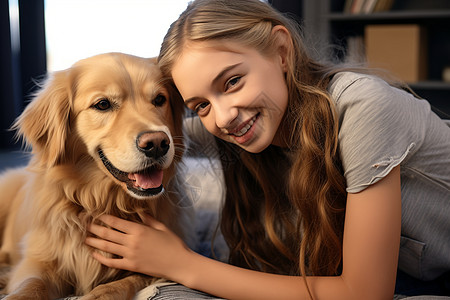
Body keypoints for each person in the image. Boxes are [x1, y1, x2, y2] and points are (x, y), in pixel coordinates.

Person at [85, 0, 450, 298]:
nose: (224, 117)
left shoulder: (363, 107)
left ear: (280, 50)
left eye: (232, 82)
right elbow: (160, 137)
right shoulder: (239, 127)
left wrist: (180, 264)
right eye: (201, 105)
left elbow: (364, 294)